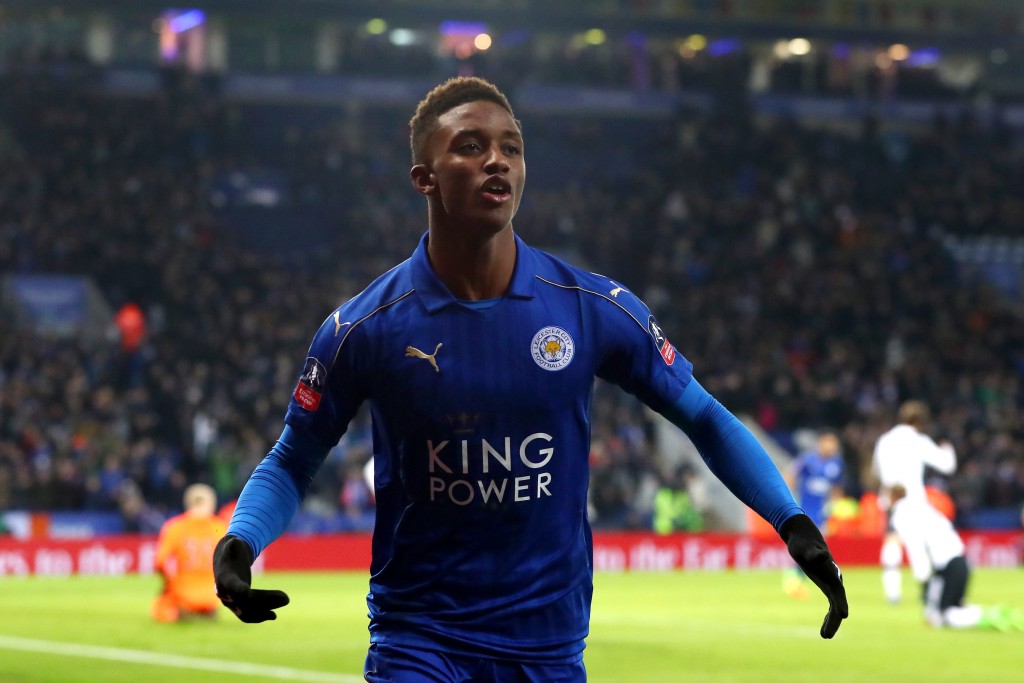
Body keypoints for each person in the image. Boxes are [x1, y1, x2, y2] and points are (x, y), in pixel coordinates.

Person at [212, 77, 848, 681]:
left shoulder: (592, 306)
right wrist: (242, 540)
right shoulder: (364, 328)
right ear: (423, 180)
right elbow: (295, 456)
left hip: (548, 645)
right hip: (419, 636)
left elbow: (704, 418)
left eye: (511, 148)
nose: (498, 161)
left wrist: (790, 521)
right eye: (471, 146)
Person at [888, 484, 1024, 631]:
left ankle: (989, 615)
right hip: (958, 561)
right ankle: (995, 614)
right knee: (953, 607)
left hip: (947, 566)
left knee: (943, 616)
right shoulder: (922, 507)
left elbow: (916, 548)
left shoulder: (901, 514)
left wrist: (923, 580)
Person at [873, 400, 956, 604]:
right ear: (921, 422)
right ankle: (927, 587)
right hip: (913, 500)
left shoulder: (885, 440)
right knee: (919, 545)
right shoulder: (918, 440)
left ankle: (893, 593)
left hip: (891, 498)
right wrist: (948, 448)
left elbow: (875, 470)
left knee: (892, 541)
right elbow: (947, 465)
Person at [152, 483, 227, 622]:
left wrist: (170, 583)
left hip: (183, 595)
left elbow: (159, 562)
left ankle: (184, 610)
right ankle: (207, 610)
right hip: (212, 597)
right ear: (211, 504)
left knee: (160, 606)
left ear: (187, 503)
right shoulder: (221, 528)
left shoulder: (175, 527)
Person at [783, 430, 845, 598]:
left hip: (822, 512)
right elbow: (791, 474)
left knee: (815, 548)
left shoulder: (836, 464)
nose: (832, 447)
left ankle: (796, 579)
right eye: (829, 443)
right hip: (805, 510)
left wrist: (835, 506)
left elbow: (836, 487)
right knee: (808, 546)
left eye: (834, 444)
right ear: (821, 443)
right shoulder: (808, 459)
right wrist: (788, 496)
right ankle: (794, 580)